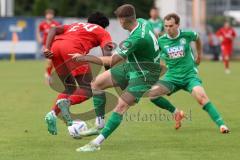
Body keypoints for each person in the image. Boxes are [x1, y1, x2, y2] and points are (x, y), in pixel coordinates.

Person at [70, 4, 163, 152]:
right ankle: (99, 124)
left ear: (122, 20)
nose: (119, 23)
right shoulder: (143, 22)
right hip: (132, 65)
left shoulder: (136, 38)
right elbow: (155, 37)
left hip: (145, 74)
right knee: (97, 83)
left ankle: (96, 143)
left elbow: (112, 60)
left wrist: (84, 57)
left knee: (121, 106)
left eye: (119, 20)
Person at [148, 13, 230, 135]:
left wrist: (199, 55)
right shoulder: (161, 41)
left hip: (189, 76)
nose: (168, 29)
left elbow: (197, 39)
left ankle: (222, 125)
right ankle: (176, 113)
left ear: (178, 25)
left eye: (171, 25)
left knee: (202, 98)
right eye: (166, 26)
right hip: (172, 77)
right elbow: (154, 57)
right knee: (152, 95)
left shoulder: (187, 35)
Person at [43, 12, 112, 135]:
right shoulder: (102, 31)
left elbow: (53, 29)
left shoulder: (76, 25)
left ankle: (52, 113)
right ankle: (66, 103)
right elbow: (107, 53)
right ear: (103, 25)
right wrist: (109, 73)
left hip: (56, 48)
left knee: (69, 88)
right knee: (89, 89)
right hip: (72, 49)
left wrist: (47, 48)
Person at [37, 9, 60, 83]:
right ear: (46, 15)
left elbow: (59, 32)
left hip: (54, 44)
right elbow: (38, 31)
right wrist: (39, 38)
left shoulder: (56, 24)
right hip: (45, 45)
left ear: (53, 15)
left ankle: (47, 74)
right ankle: (48, 75)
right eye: (48, 14)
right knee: (49, 60)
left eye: (51, 14)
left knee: (52, 61)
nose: (49, 16)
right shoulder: (42, 24)